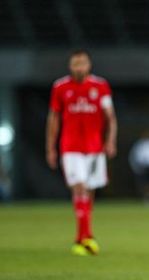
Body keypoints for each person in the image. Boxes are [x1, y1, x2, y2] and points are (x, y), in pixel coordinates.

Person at [46, 49, 117, 256]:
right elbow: (54, 118)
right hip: (71, 147)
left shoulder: (100, 86)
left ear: (89, 65)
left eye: (82, 63)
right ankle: (86, 238)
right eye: (75, 64)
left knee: (90, 190)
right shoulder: (60, 87)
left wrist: (110, 140)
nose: (79, 67)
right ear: (70, 66)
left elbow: (110, 117)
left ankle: (82, 237)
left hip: (95, 148)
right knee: (80, 188)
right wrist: (50, 147)